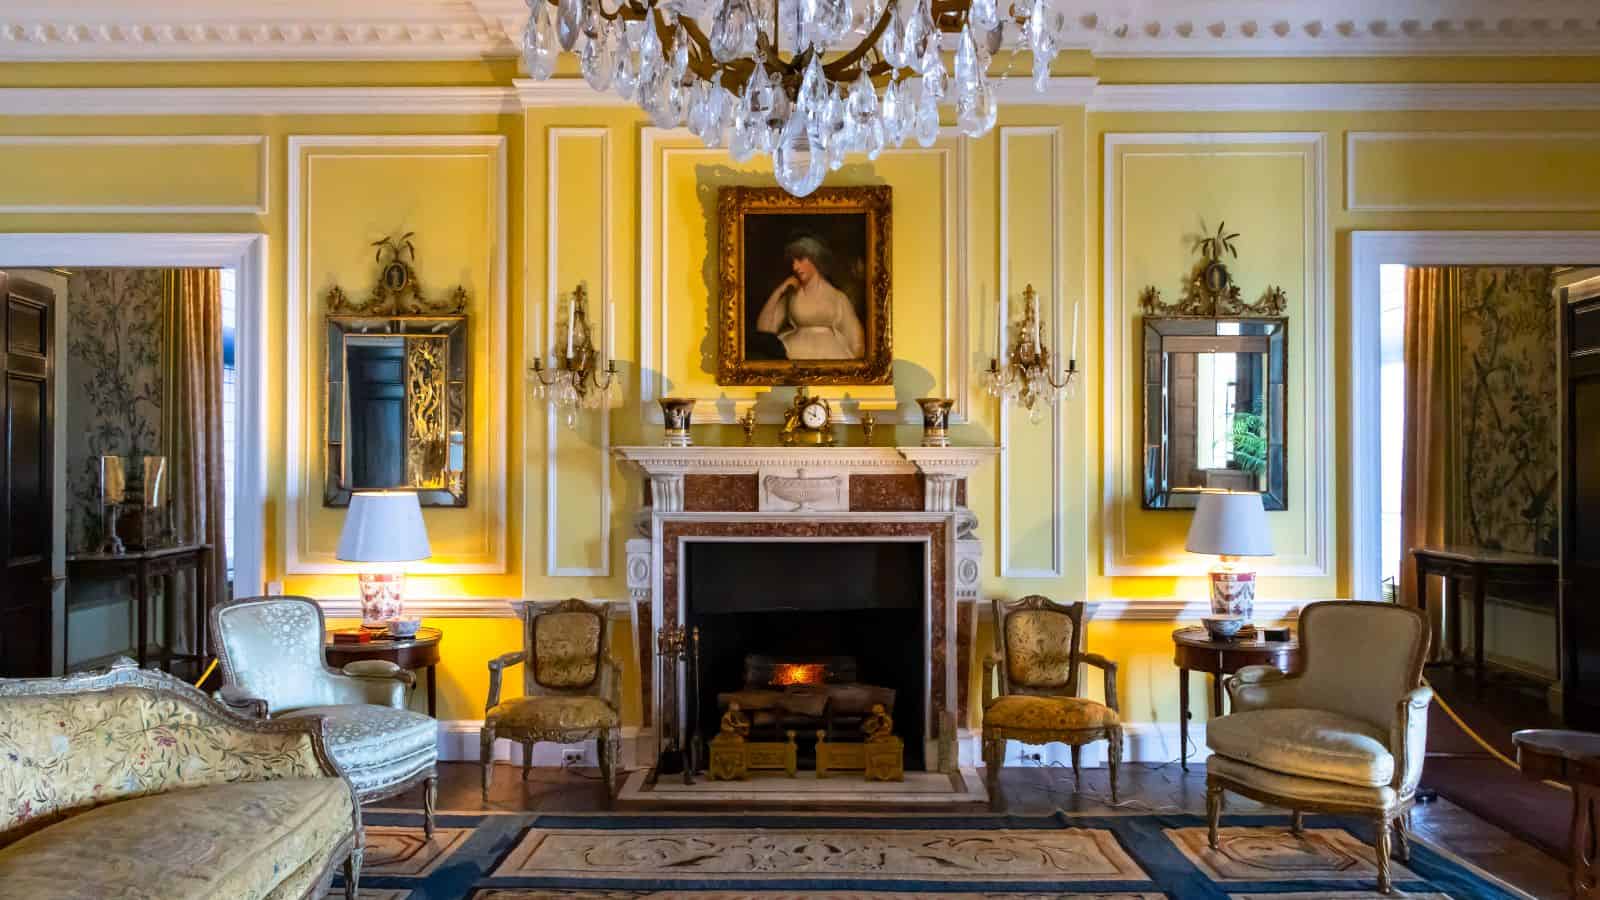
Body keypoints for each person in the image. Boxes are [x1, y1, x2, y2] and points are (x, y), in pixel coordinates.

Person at [754, 234, 865, 360]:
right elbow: (764, 329)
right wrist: (779, 291)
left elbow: (856, 342)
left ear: (814, 259)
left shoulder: (838, 297)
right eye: (793, 261)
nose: (794, 267)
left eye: (800, 260)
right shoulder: (792, 296)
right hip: (793, 356)